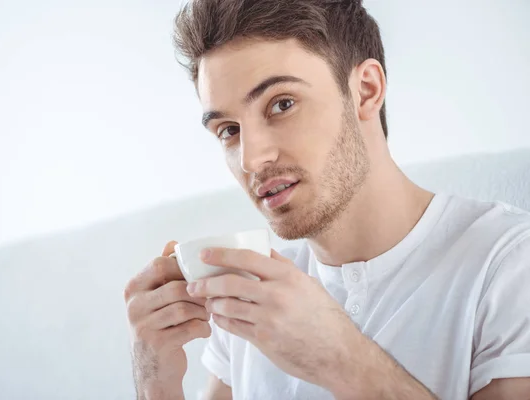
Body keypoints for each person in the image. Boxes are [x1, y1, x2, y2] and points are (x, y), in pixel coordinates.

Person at [123, 0, 530, 398]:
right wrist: (155, 384)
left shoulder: (509, 266)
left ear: (366, 91)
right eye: (229, 130)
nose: (251, 158)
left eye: (281, 104)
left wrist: (342, 360)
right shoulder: (251, 293)